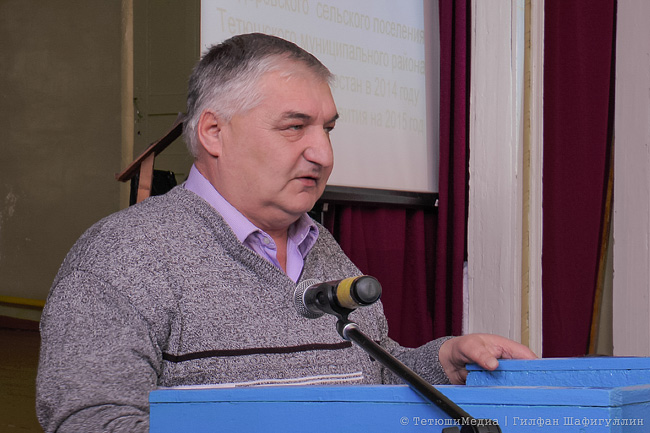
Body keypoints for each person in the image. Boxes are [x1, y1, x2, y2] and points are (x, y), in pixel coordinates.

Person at [36, 33, 536, 432]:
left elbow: (371, 377)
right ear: (213, 132)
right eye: (295, 127)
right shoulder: (122, 255)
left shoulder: (324, 248)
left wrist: (442, 361)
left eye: (328, 129)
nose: (323, 154)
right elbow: (91, 422)